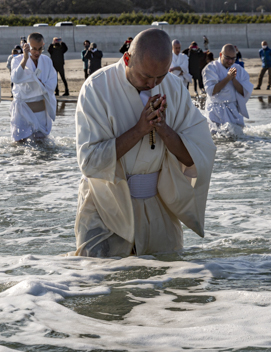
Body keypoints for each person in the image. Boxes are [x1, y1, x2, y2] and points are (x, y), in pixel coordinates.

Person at [73, 27, 216, 257]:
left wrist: (164, 130)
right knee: (102, 284)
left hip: (158, 209)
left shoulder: (174, 87)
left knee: (166, 285)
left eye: (160, 76)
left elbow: (198, 156)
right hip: (105, 208)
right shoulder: (96, 88)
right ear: (127, 58)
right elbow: (89, 162)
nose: (153, 84)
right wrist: (140, 129)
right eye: (146, 76)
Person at [10, 33, 56, 141]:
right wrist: (25, 58)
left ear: (43, 45)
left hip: (40, 110)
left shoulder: (46, 61)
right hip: (22, 111)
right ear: (27, 46)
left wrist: (42, 85)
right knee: (20, 144)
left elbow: (52, 82)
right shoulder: (17, 60)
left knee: (42, 144)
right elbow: (15, 79)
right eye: (34, 49)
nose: (37, 52)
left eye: (40, 49)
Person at [203, 44, 253, 130]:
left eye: (233, 58)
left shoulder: (238, 69)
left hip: (232, 109)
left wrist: (233, 79)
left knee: (237, 138)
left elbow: (244, 92)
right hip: (215, 110)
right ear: (220, 55)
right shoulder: (211, 68)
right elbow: (212, 91)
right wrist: (227, 78)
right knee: (217, 138)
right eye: (227, 58)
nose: (230, 61)